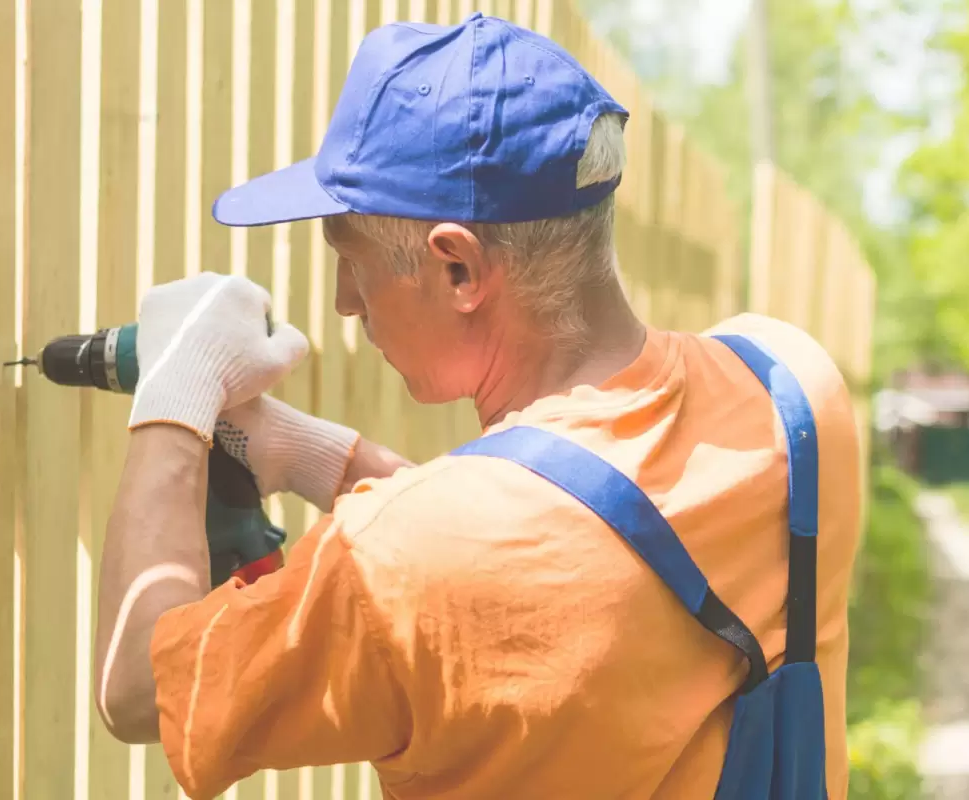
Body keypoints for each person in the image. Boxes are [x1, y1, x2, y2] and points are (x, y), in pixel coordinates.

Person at [92, 12, 862, 800]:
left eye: (349, 257)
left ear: (459, 269)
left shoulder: (399, 562)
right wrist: (318, 456)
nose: (343, 301)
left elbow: (134, 685)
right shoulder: (792, 390)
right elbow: (557, 549)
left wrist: (176, 397)